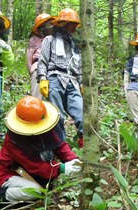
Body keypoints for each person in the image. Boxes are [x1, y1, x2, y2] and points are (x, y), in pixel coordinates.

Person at [0, 96, 82, 202]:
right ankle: (1, 196)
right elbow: (34, 165)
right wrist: (61, 168)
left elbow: (59, 145)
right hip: (10, 174)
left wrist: (73, 160)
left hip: (34, 174)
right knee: (35, 192)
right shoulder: (14, 140)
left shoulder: (47, 127)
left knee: (44, 189)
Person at [37, 8, 83, 148]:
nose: (74, 27)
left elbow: (78, 65)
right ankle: (60, 146)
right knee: (57, 115)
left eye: (75, 24)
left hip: (72, 80)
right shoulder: (49, 40)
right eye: (71, 23)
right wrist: (43, 78)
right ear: (62, 24)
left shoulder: (74, 44)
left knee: (80, 111)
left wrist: (81, 82)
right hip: (54, 78)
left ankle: (83, 141)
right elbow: (43, 61)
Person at [26, 14, 55, 99]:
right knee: (38, 97)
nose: (50, 26)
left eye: (50, 24)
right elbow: (29, 57)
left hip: (52, 70)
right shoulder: (34, 40)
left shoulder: (54, 39)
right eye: (47, 24)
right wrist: (32, 71)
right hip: (37, 68)